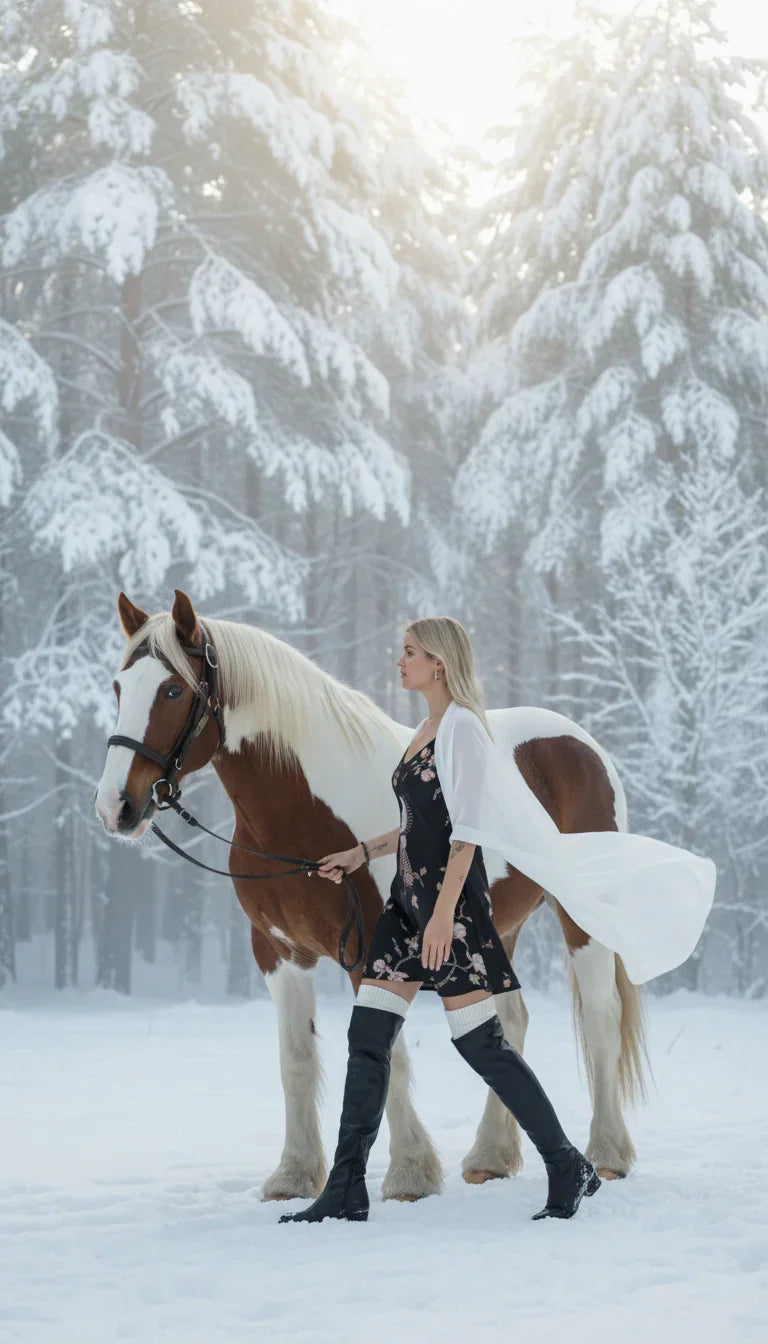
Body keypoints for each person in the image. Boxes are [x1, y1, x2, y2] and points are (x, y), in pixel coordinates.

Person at [279, 616, 600, 1226]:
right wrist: (360, 853)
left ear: (440, 663)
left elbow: (468, 834)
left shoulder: (463, 732)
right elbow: (421, 823)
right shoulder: (423, 731)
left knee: (483, 1046)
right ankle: (347, 1186)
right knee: (368, 1038)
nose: (399, 661)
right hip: (407, 907)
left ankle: (566, 1164)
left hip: (448, 913)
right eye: (400, 650)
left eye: (409, 652)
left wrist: (443, 918)